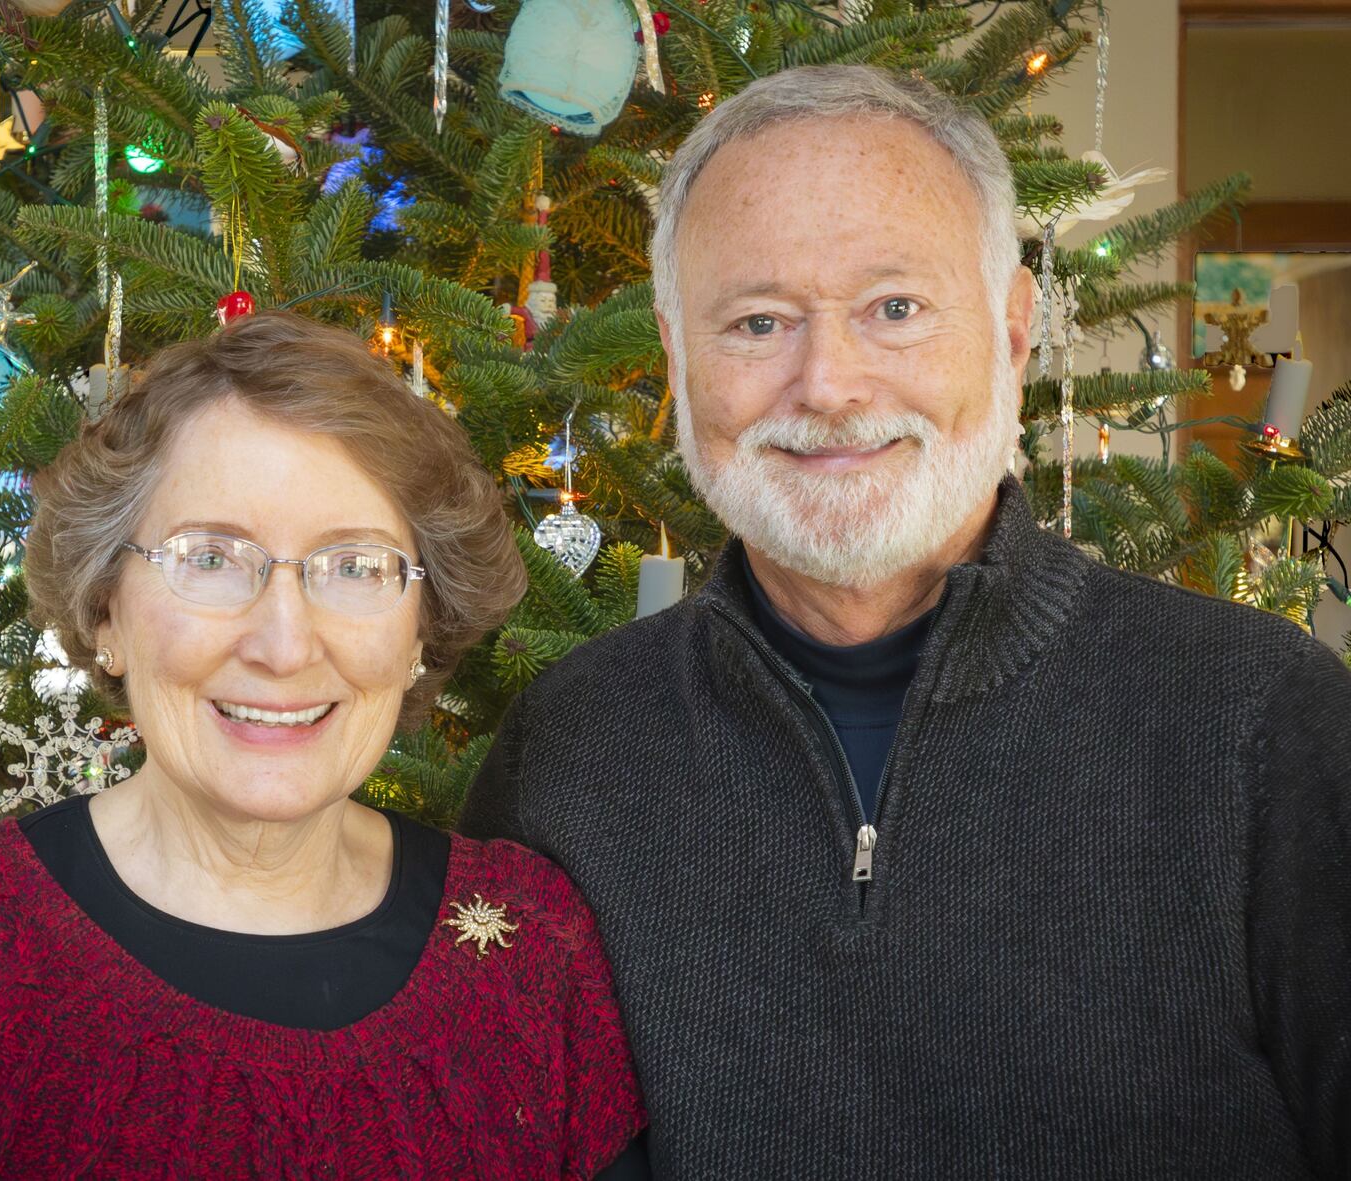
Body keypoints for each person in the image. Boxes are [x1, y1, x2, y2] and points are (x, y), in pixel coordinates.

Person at [460, 64, 1351, 1179]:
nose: (827, 382)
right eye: (757, 320)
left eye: (895, 307)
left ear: (1014, 335)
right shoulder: (570, 747)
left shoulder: (1261, 721)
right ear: (679, 356)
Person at [0, 310, 648, 1179]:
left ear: (422, 629)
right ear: (106, 608)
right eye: (211, 557)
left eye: (356, 567)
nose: (285, 643)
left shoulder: (537, 954)